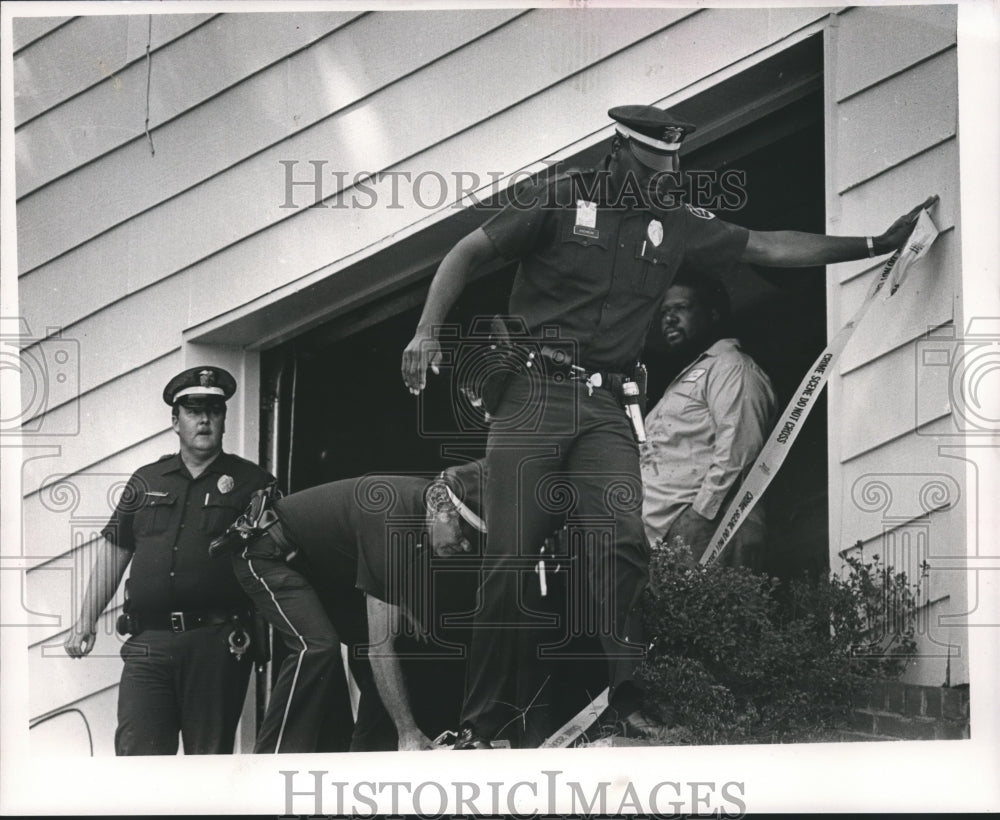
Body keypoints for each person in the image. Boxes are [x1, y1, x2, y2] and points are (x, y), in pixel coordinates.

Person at [400, 103, 936, 748]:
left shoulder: (675, 223)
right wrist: (429, 328)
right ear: (619, 154)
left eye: (673, 164)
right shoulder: (559, 198)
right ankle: (481, 722)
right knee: (511, 557)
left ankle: (630, 700)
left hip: (606, 405)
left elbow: (767, 244)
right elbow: (468, 250)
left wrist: (875, 244)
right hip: (534, 394)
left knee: (622, 543)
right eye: (654, 164)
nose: (666, 175)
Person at [64, 366, 273, 755]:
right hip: (149, 643)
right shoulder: (146, 480)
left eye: (214, 410)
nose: (205, 420)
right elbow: (116, 549)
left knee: (207, 766)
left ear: (224, 419)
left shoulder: (253, 483)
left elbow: (276, 563)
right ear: (175, 421)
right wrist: (85, 621)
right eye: (194, 411)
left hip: (216, 643)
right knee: (138, 759)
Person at [222, 460, 485, 753]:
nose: (466, 547)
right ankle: (272, 760)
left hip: (313, 567)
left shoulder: (417, 513)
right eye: (462, 532)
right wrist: (408, 731)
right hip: (264, 554)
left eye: (474, 538)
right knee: (318, 646)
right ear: (438, 505)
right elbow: (379, 649)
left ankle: (368, 751)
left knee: (407, 636)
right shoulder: (393, 525)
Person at [641, 271, 777, 569]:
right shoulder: (687, 378)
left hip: (703, 528)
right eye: (665, 312)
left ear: (712, 314)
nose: (669, 319)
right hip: (666, 537)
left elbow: (738, 448)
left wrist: (700, 515)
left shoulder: (730, 366)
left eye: (681, 308)